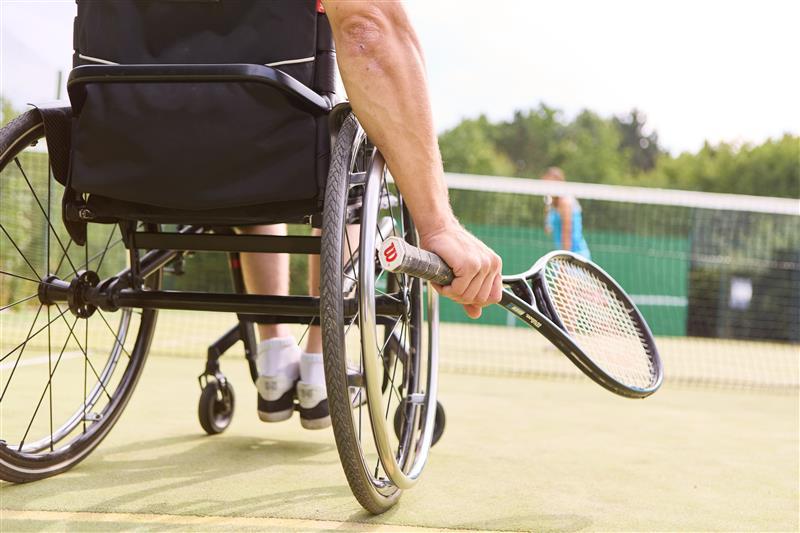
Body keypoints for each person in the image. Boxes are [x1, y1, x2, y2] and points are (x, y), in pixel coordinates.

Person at [240, 0, 503, 429]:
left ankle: (272, 356)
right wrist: (438, 224)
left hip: (135, 152)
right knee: (340, 173)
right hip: (278, 149)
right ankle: (320, 363)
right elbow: (367, 29)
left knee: (242, 171)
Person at [542, 167, 591, 259]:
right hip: (564, 253)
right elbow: (548, 230)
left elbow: (567, 233)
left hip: (575, 255)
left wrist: (564, 259)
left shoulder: (565, 202)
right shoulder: (553, 204)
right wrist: (547, 207)